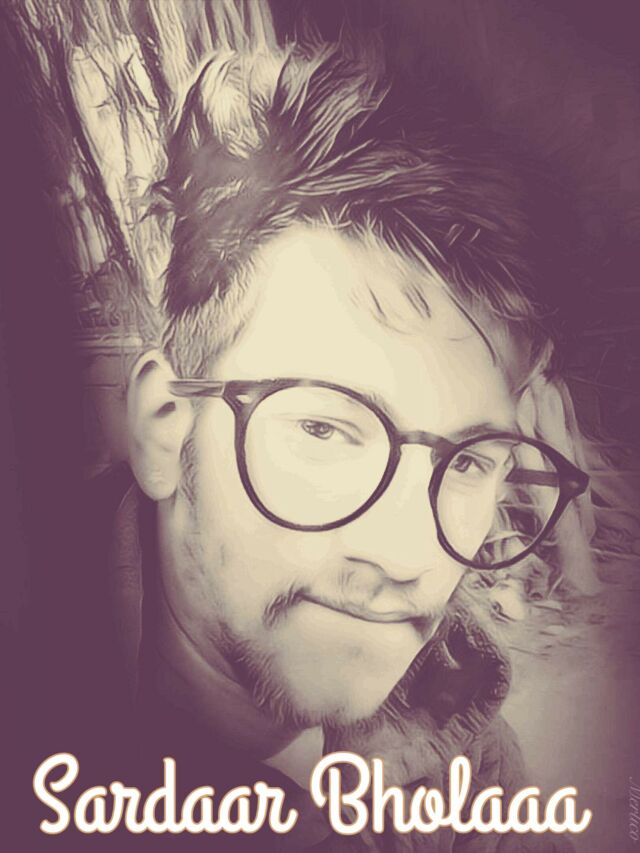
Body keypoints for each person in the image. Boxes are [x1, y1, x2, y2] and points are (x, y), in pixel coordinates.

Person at [84, 34, 586, 852]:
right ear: (165, 425)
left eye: (465, 462)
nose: (408, 556)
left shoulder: (462, 757)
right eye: (324, 428)